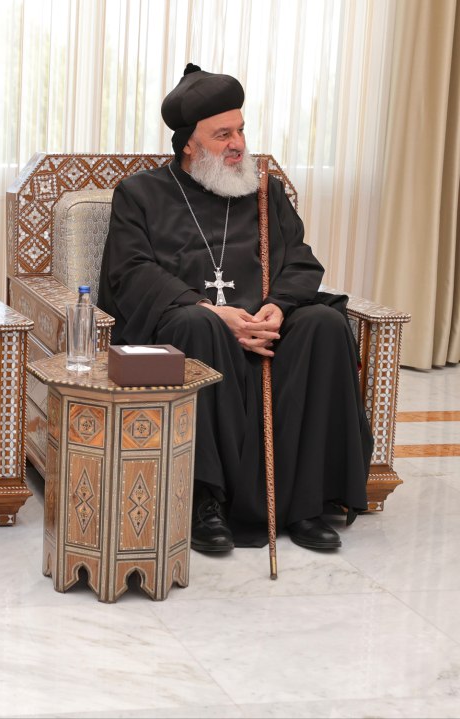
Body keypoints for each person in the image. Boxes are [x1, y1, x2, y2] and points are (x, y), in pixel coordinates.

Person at [98, 64, 372, 553]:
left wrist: (278, 308)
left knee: (324, 324)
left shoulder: (264, 192)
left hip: (264, 327)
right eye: (222, 134)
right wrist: (210, 309)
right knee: (195, 325)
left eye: (240, 130)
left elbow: (299, 259)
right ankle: (206, 501)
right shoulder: (140, 195)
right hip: (192, 327)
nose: (238, 144)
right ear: (189, 143)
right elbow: (131, 271)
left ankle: (305, 502)